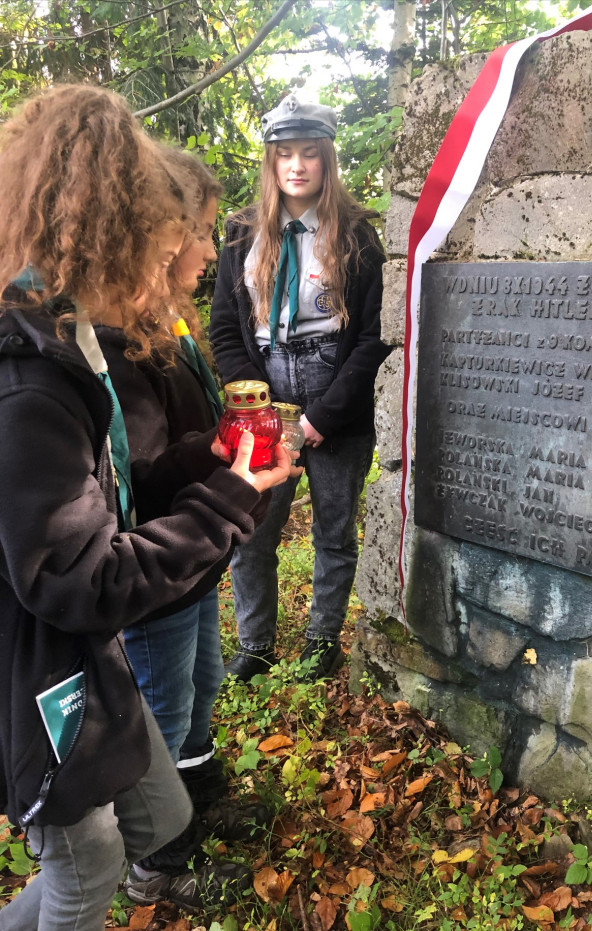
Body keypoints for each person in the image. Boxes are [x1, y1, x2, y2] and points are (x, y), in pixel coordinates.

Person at [0, 85, 292, 931]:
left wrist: (211, 467)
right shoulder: (32, 384)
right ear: (116, 236)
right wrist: (231, 501)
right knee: (87, 863)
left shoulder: (73, 346)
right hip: (40, 672)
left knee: (161, 814)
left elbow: (110, 501)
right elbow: (78, 576)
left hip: (79, 655)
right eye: (170, 246)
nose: (182, 266)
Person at [98, 149, 277, 909]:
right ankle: (157, 863)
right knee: (163, 709)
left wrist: (221, 443)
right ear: (151, 238)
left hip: (192, 560)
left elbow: (179, 440)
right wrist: (217, 462)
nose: (208, 251)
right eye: (196, 233)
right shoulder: (115, 346)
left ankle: (198, 797)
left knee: (201, 685)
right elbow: (136, 481)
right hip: (158, 566)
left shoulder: (164, 323)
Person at [209, 94, 389, 682]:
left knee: (333, 530)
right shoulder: (241, 234)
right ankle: (255, 644)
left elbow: (372, 339)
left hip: (337, 398)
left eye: (309, 153)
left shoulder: (358, 236)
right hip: (266, 394)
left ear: (326, 159)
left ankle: (322, 641)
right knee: (253, 527)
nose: (296, 165)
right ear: (271, 160)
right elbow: (224, 329)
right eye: (284, 153)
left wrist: (322, 419)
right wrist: (257, 410)